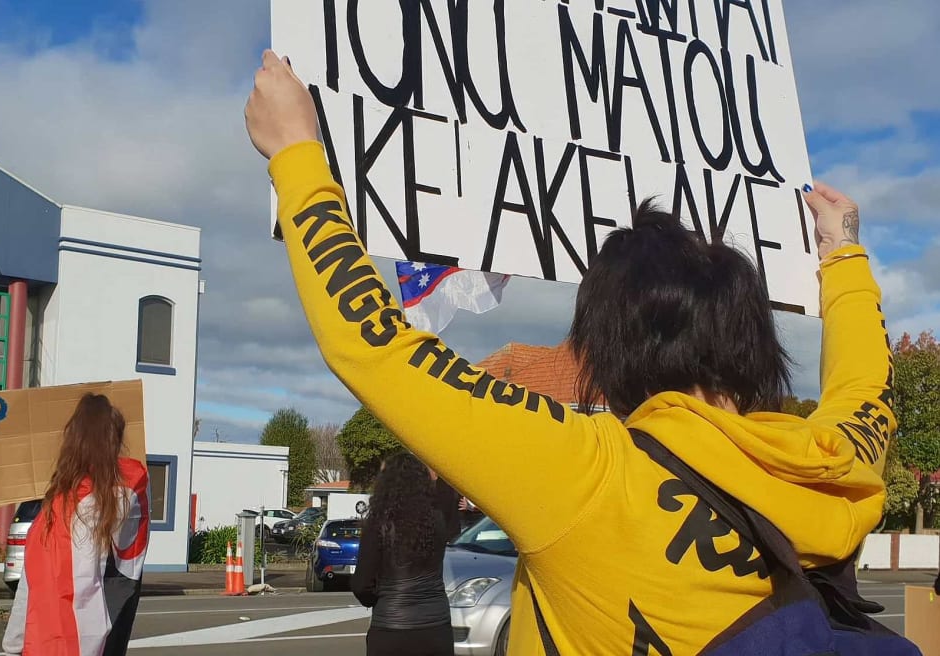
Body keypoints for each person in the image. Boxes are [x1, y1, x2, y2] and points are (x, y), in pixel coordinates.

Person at [245, 51, 895, 653]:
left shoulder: (588, 472)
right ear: (755, 340)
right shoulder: (830, 462)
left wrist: (298, 154)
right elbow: (864, 391)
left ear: (605, 350)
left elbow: (377, 344)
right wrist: (844, 254)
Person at [3, 394, 150, 656]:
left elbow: (30, 583)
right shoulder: (129, 496)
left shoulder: (53, 510)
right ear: (115, 443)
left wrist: (13, 644)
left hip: (48, 643)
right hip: (102, 641)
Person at [351, 452, 454, 656]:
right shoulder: (437, 521)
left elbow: (362, 585)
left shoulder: (379, 524)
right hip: (436, 626)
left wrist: (378, 598)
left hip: (391, 626)